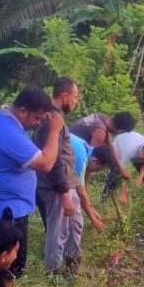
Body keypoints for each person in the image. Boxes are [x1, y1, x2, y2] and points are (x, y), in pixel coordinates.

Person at [0, 87, 64, 278]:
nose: (38, 123)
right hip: (5, 211)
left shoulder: (3, 121)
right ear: (23, 111)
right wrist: (54, 131)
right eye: (37, 118)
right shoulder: (8, 132)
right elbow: (46, 163)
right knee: (9, 268)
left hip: (3, 206)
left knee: (2, 265)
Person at [34, 78, 83, 276]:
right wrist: (64, 193)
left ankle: (73, 265)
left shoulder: (56, 118)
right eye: (75, 97)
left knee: (75, 225)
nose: (75, 101)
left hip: (65, 184)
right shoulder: (52, 121)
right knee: (58, 231)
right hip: (56, 187)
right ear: (65, 96)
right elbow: (53, 159)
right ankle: (53, 273)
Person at [106, 112, 144, 200]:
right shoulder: (129, 151)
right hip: (119, 148)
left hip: (134, 151)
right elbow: (123, 170)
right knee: (115, 174)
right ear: (142, 150)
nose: (143, 159)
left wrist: (139, 179)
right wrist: (124, 192)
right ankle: (107, 198)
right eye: (143, 157)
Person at [70, 111, 132, 184]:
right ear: (121, 131)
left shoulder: (102, 117)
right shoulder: (100, 133)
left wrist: (121, 169)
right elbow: (87, 163)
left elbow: (110, 146)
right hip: (67, 153)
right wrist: (84, 190)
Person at [70, 132, 106, 234]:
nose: (95, 172)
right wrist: (94, 220)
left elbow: (83, 186)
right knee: (75, 219)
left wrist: (92, 209)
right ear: (95, 161)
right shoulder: (81, 158)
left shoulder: (87, 148)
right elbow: (81, 193)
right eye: (98, 169)